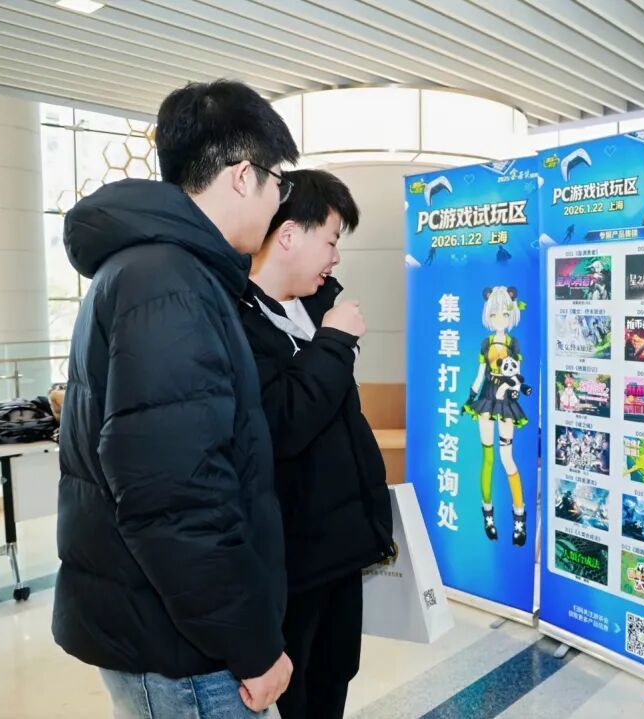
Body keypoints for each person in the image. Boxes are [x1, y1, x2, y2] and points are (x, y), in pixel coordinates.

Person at [52, 80, 299, 718]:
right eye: (278, 183)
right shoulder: (169, 284)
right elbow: (176, 501)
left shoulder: (155, 270)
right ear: (243, 176)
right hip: (185, 651)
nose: (279, 202)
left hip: (166, 627)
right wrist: (254, 647)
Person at [238, 169, 393, 719]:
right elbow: (283, 421)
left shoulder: (317, 303)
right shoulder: (237, 320)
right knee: (297, 691)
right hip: (292, 555)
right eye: (330, 240)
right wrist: (335, 342)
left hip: (342, 543)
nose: (335, 258)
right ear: (289, 236)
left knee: (335, 675)